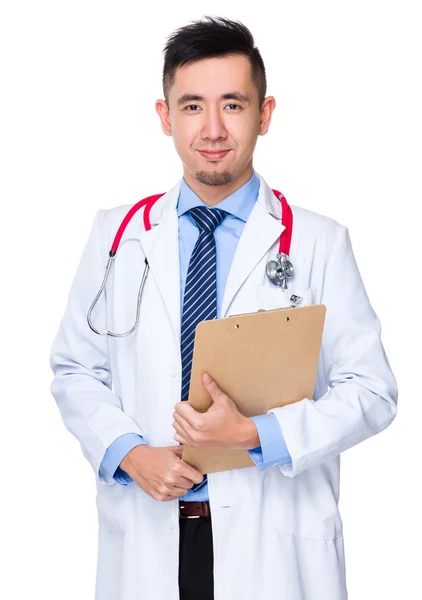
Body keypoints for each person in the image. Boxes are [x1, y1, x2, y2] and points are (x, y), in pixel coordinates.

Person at [49, 15, 398, 600]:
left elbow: (372, 390)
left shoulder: (317, 243)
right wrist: (129, 454)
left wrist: (257, 435)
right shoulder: (118, 236)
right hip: (148, 537)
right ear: (165, 117)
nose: (212, 128)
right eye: (191, 106)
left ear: (264, 115)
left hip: (274, 547)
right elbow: (75, 370)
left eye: (233, 105)